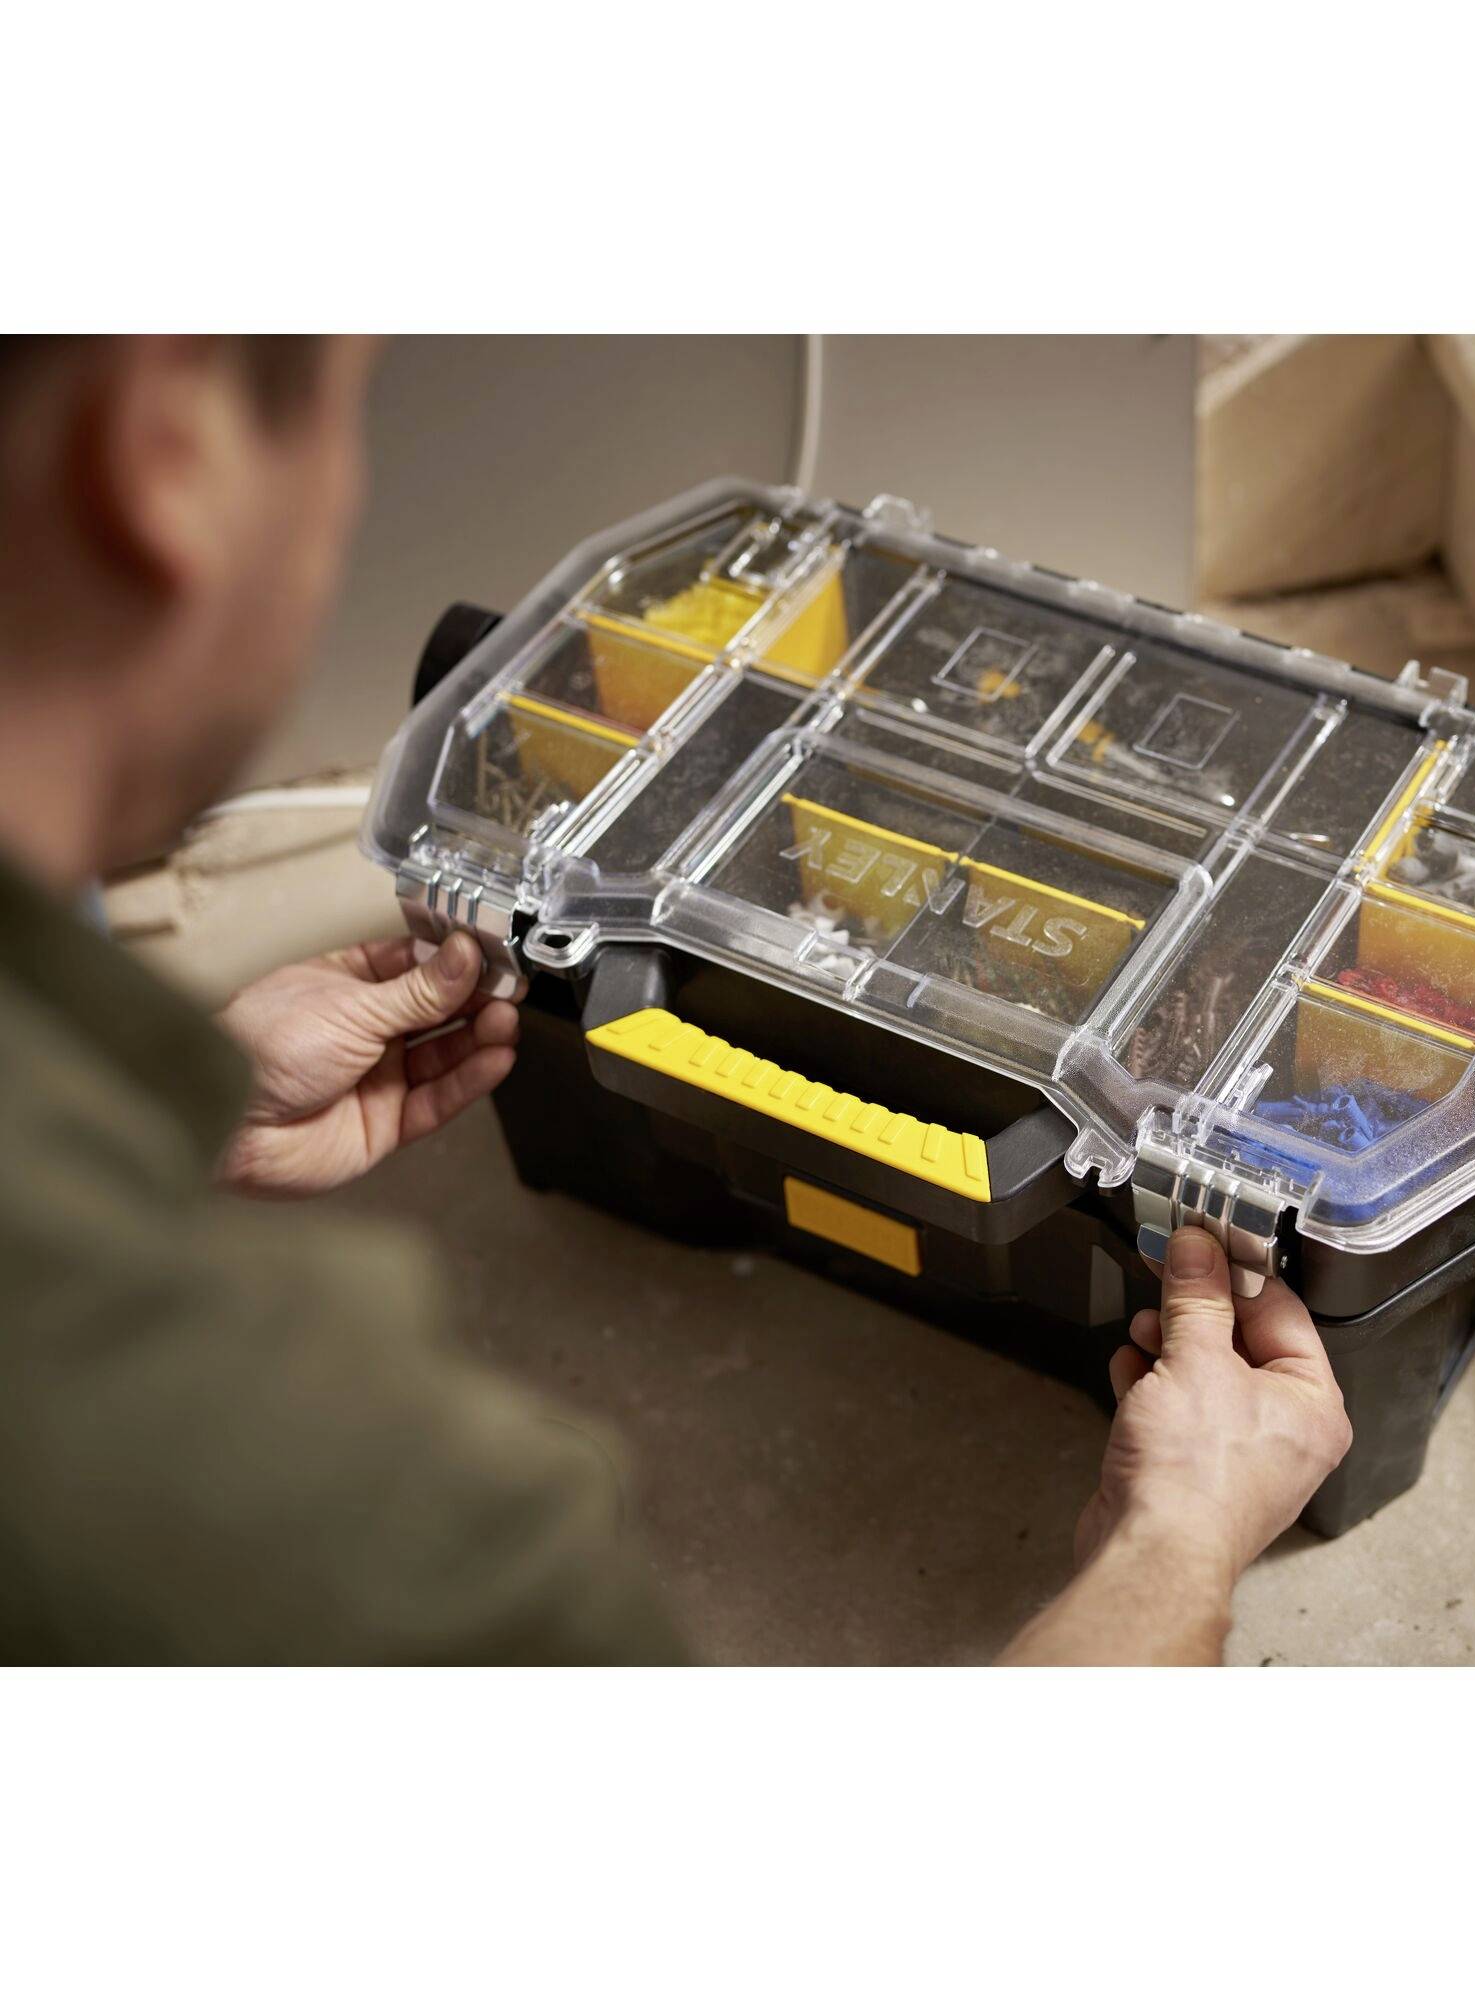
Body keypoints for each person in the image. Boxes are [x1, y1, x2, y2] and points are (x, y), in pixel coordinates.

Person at [0, 335, 1350, 1666]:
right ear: (163, 449)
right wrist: (1181, 1540)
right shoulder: (385, 1529)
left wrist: (206, 1120)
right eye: (346, 417)